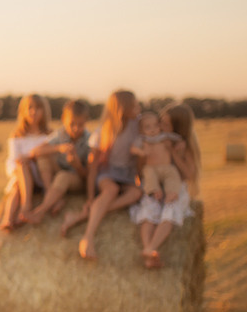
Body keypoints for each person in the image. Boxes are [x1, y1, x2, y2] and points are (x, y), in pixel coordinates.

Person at [59, 89, 143, 259]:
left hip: (127, 175)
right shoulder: (103, 132)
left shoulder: (139, 124)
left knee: (136, 193)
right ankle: (87, 238)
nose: (138, 108)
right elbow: (93, 168)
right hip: (108, 174)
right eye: (134, 105)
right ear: (122, 109)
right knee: (110, 190)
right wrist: (90, 197)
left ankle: (81, 216)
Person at [130, 103, 202, 268]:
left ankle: (151, 248)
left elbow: (189, 174)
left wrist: (174, 153)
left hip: (175, 188)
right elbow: (140, 170)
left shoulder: (183, 145)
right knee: (149, 210)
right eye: (160, 121)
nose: (159, 126)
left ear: (177, 128)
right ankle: (148, 248)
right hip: (155, 186)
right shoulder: (151, 139)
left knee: (169, 212)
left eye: (165, 124)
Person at [25, 99, 92, 225]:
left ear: (86, 121)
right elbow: (35, 152)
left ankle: (40, 211)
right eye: (72, 124)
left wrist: (77, 164)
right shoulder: (60, 134)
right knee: (43, 157)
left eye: (81, 125)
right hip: (58, 172)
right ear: (63, 119)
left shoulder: (89, 140)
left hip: (76, 178)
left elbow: (88, 176)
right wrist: (58, 148)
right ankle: (53, 198)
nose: (76, 129)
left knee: (63, 176)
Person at [0, 93, 52, 230]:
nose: (33, 112)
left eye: (38, 108)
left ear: (44, 111)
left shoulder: (49, 135)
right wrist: (16, 172)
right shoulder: (17, 136)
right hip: (21, 177)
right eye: (30, 108)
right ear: (23, 112)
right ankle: (8, 219)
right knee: (17, 184)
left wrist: (27, 159)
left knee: (23, 164)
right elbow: (11, 161)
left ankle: (26, 206)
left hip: (40, 178)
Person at [131, 111, 183, 203]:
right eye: (148, 127)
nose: (153, 129)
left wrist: (180, 144)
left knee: (173, 175)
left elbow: (178, 138)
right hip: (151, 167)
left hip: (166, 166)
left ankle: (171, 193)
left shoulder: (164, 136)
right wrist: (141, 152)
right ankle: (155, 191)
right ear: (141, 130)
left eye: (156, 125)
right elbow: (133, 148)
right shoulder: (142, 139)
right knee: (148, 175)